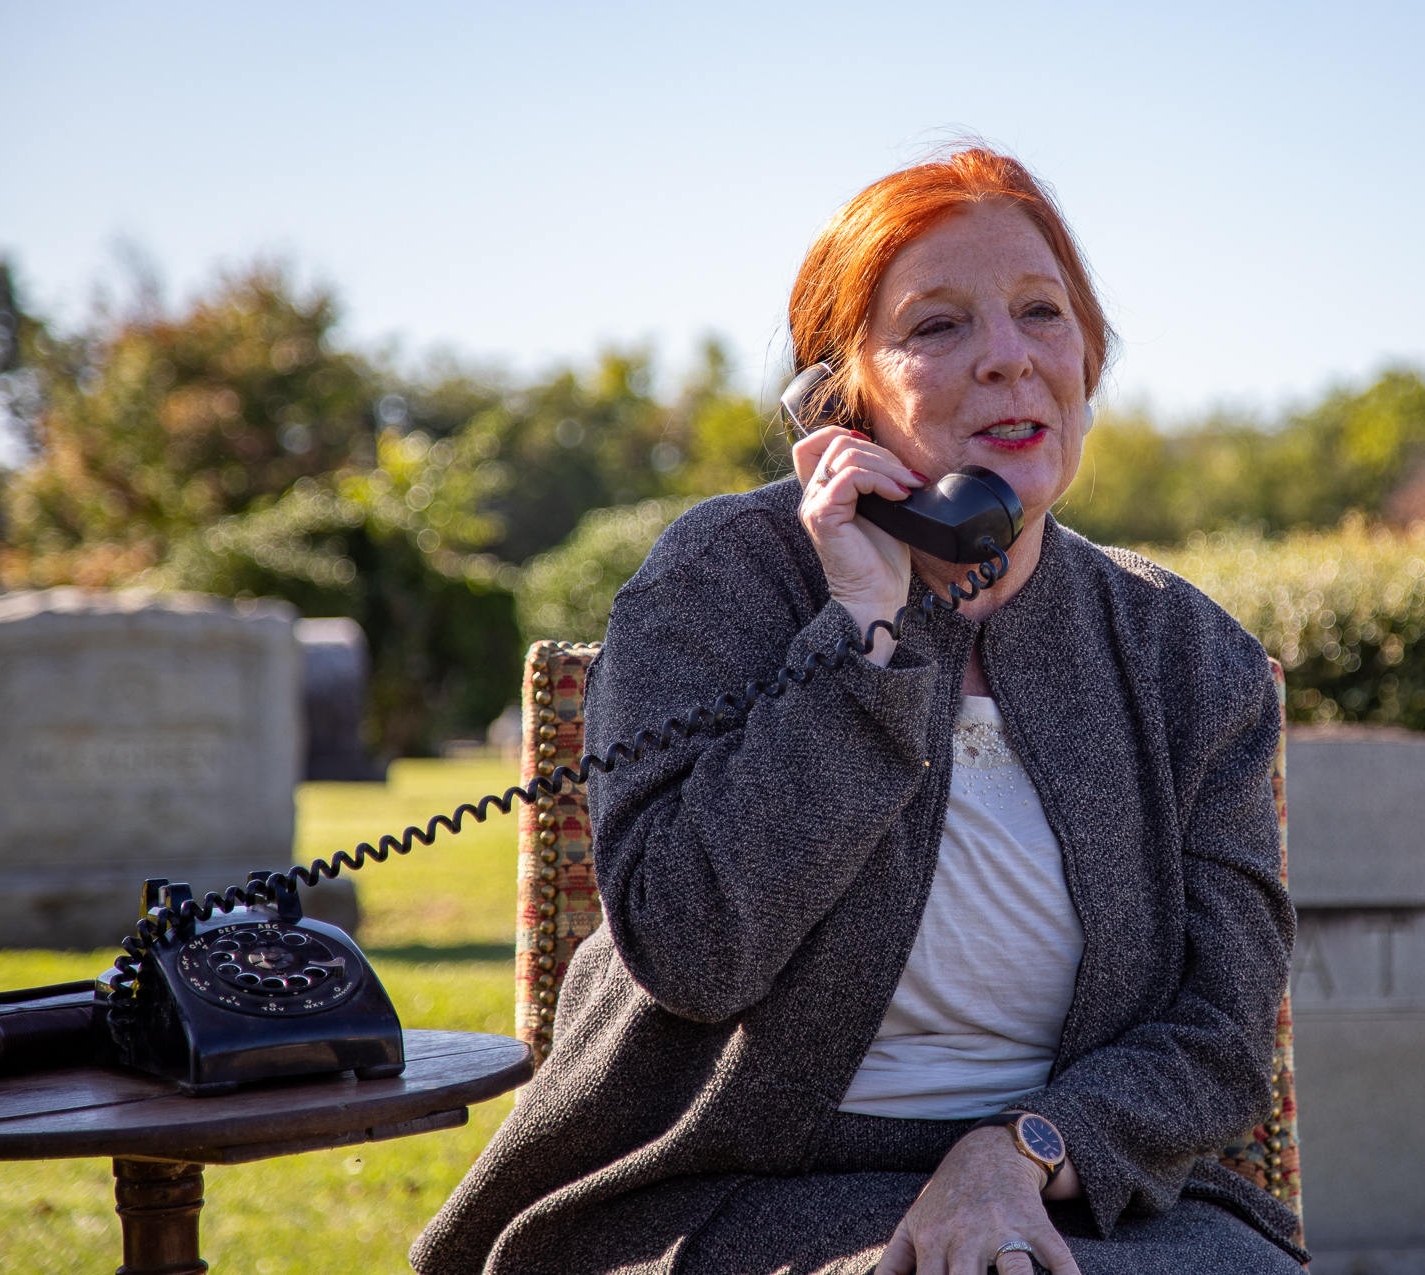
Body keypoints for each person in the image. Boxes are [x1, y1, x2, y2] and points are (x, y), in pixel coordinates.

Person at [412, 145, 1302, 1275]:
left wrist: (1022, 1149)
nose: (1007, 357)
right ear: (839, 399)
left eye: (1042, 312)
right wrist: (862, 634)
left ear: (1087, 357)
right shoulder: (719, 580)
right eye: (936, 325)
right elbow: (693, 953)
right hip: (733, 1195)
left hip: (1071, 1192)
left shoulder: (1188, 655)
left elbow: (1225, 1035)